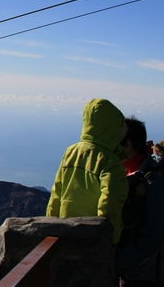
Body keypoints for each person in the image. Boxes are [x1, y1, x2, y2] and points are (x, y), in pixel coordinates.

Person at [114, 118, 164, 287]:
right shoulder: (130, 174)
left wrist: (121, 261)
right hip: (133, 271)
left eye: (116, 141)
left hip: (150, 274)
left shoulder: (152, 181)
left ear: (128, 145)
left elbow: (155, 235)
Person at [50, 99, 130, 238]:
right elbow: (110, 201)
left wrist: (51, 227)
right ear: (112, 127)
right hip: (91, 237)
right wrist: (111, 235)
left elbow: (56, 194)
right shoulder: (110, 161)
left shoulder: (71, 152)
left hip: (64, 231)